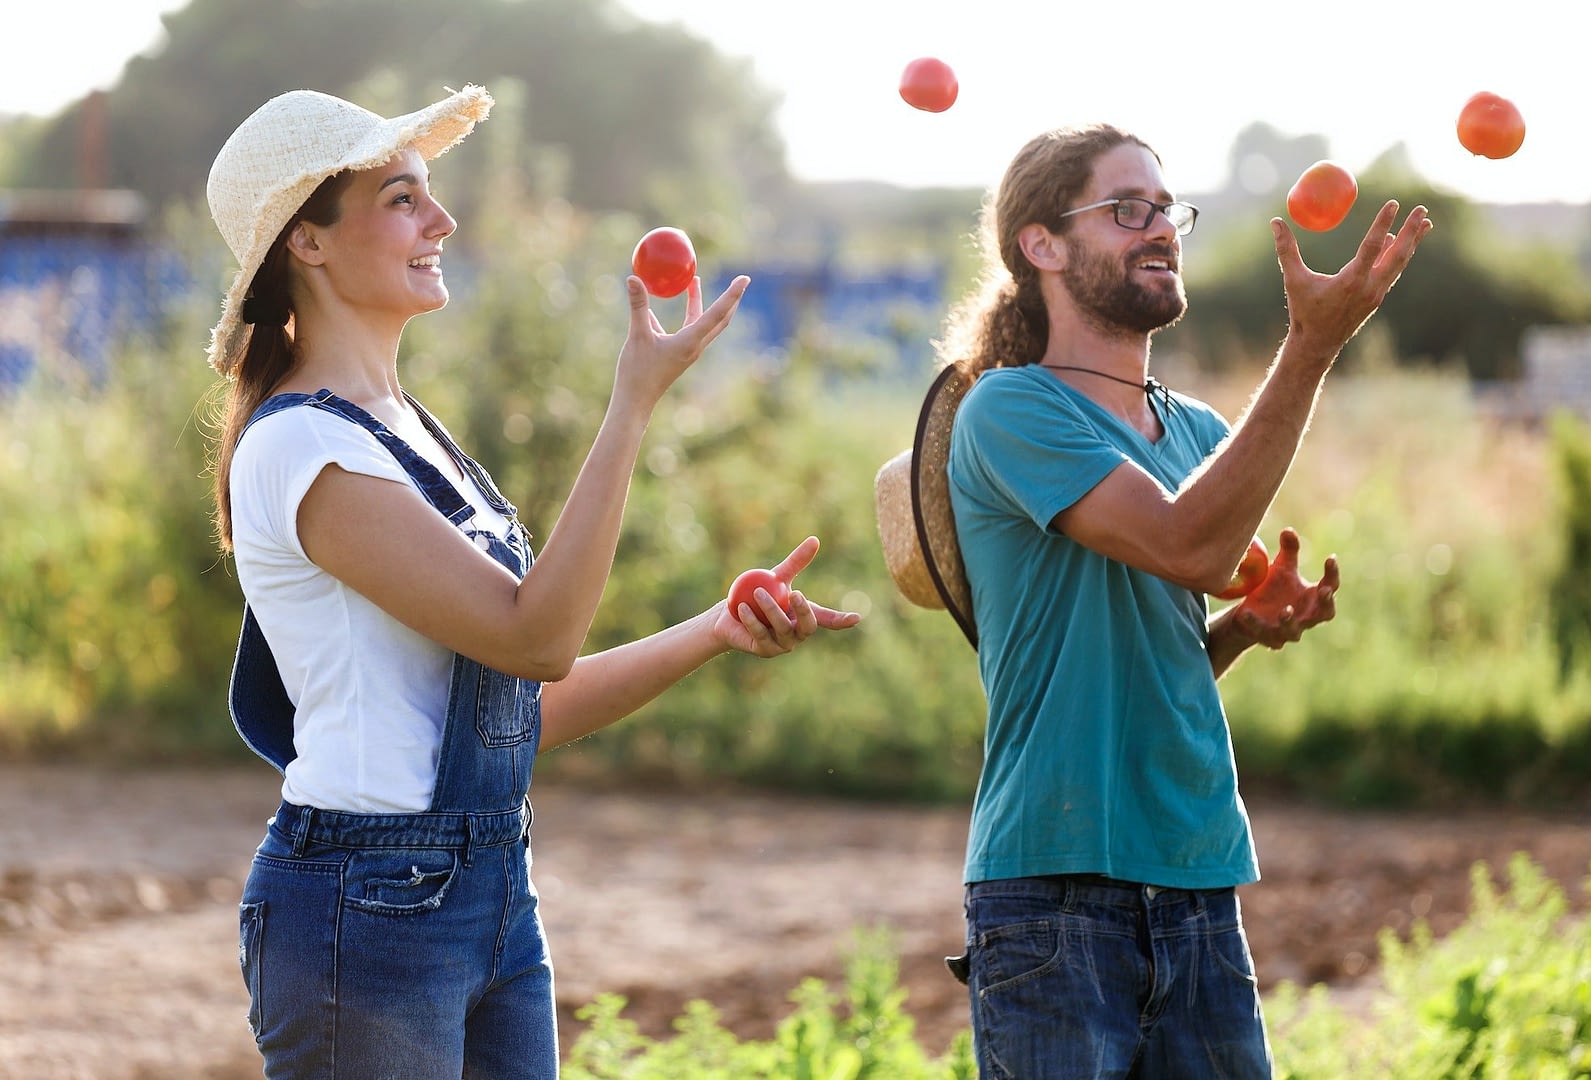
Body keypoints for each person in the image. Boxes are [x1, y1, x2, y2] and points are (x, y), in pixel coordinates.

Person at [202, 84, 860, 1079]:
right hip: (367, 898)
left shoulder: (409, 432)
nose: (442, 220)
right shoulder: (306, 448)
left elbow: (521, 707)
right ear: (309, 243)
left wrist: (715, 629)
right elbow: (535, 635)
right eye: (401, 198)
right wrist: (630, 405)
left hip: (491, 886)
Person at [935, 124, 1432, 1077]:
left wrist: (1241, 626)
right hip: (1055, 892)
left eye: (1168, 209)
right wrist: (1310, 348)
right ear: (1040, 244)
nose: (1161, 227)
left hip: (1198, 879)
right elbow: (1189, 542)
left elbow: (1156, 650)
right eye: (1128, 210)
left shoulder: (1196, 428)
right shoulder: (1010, 409)